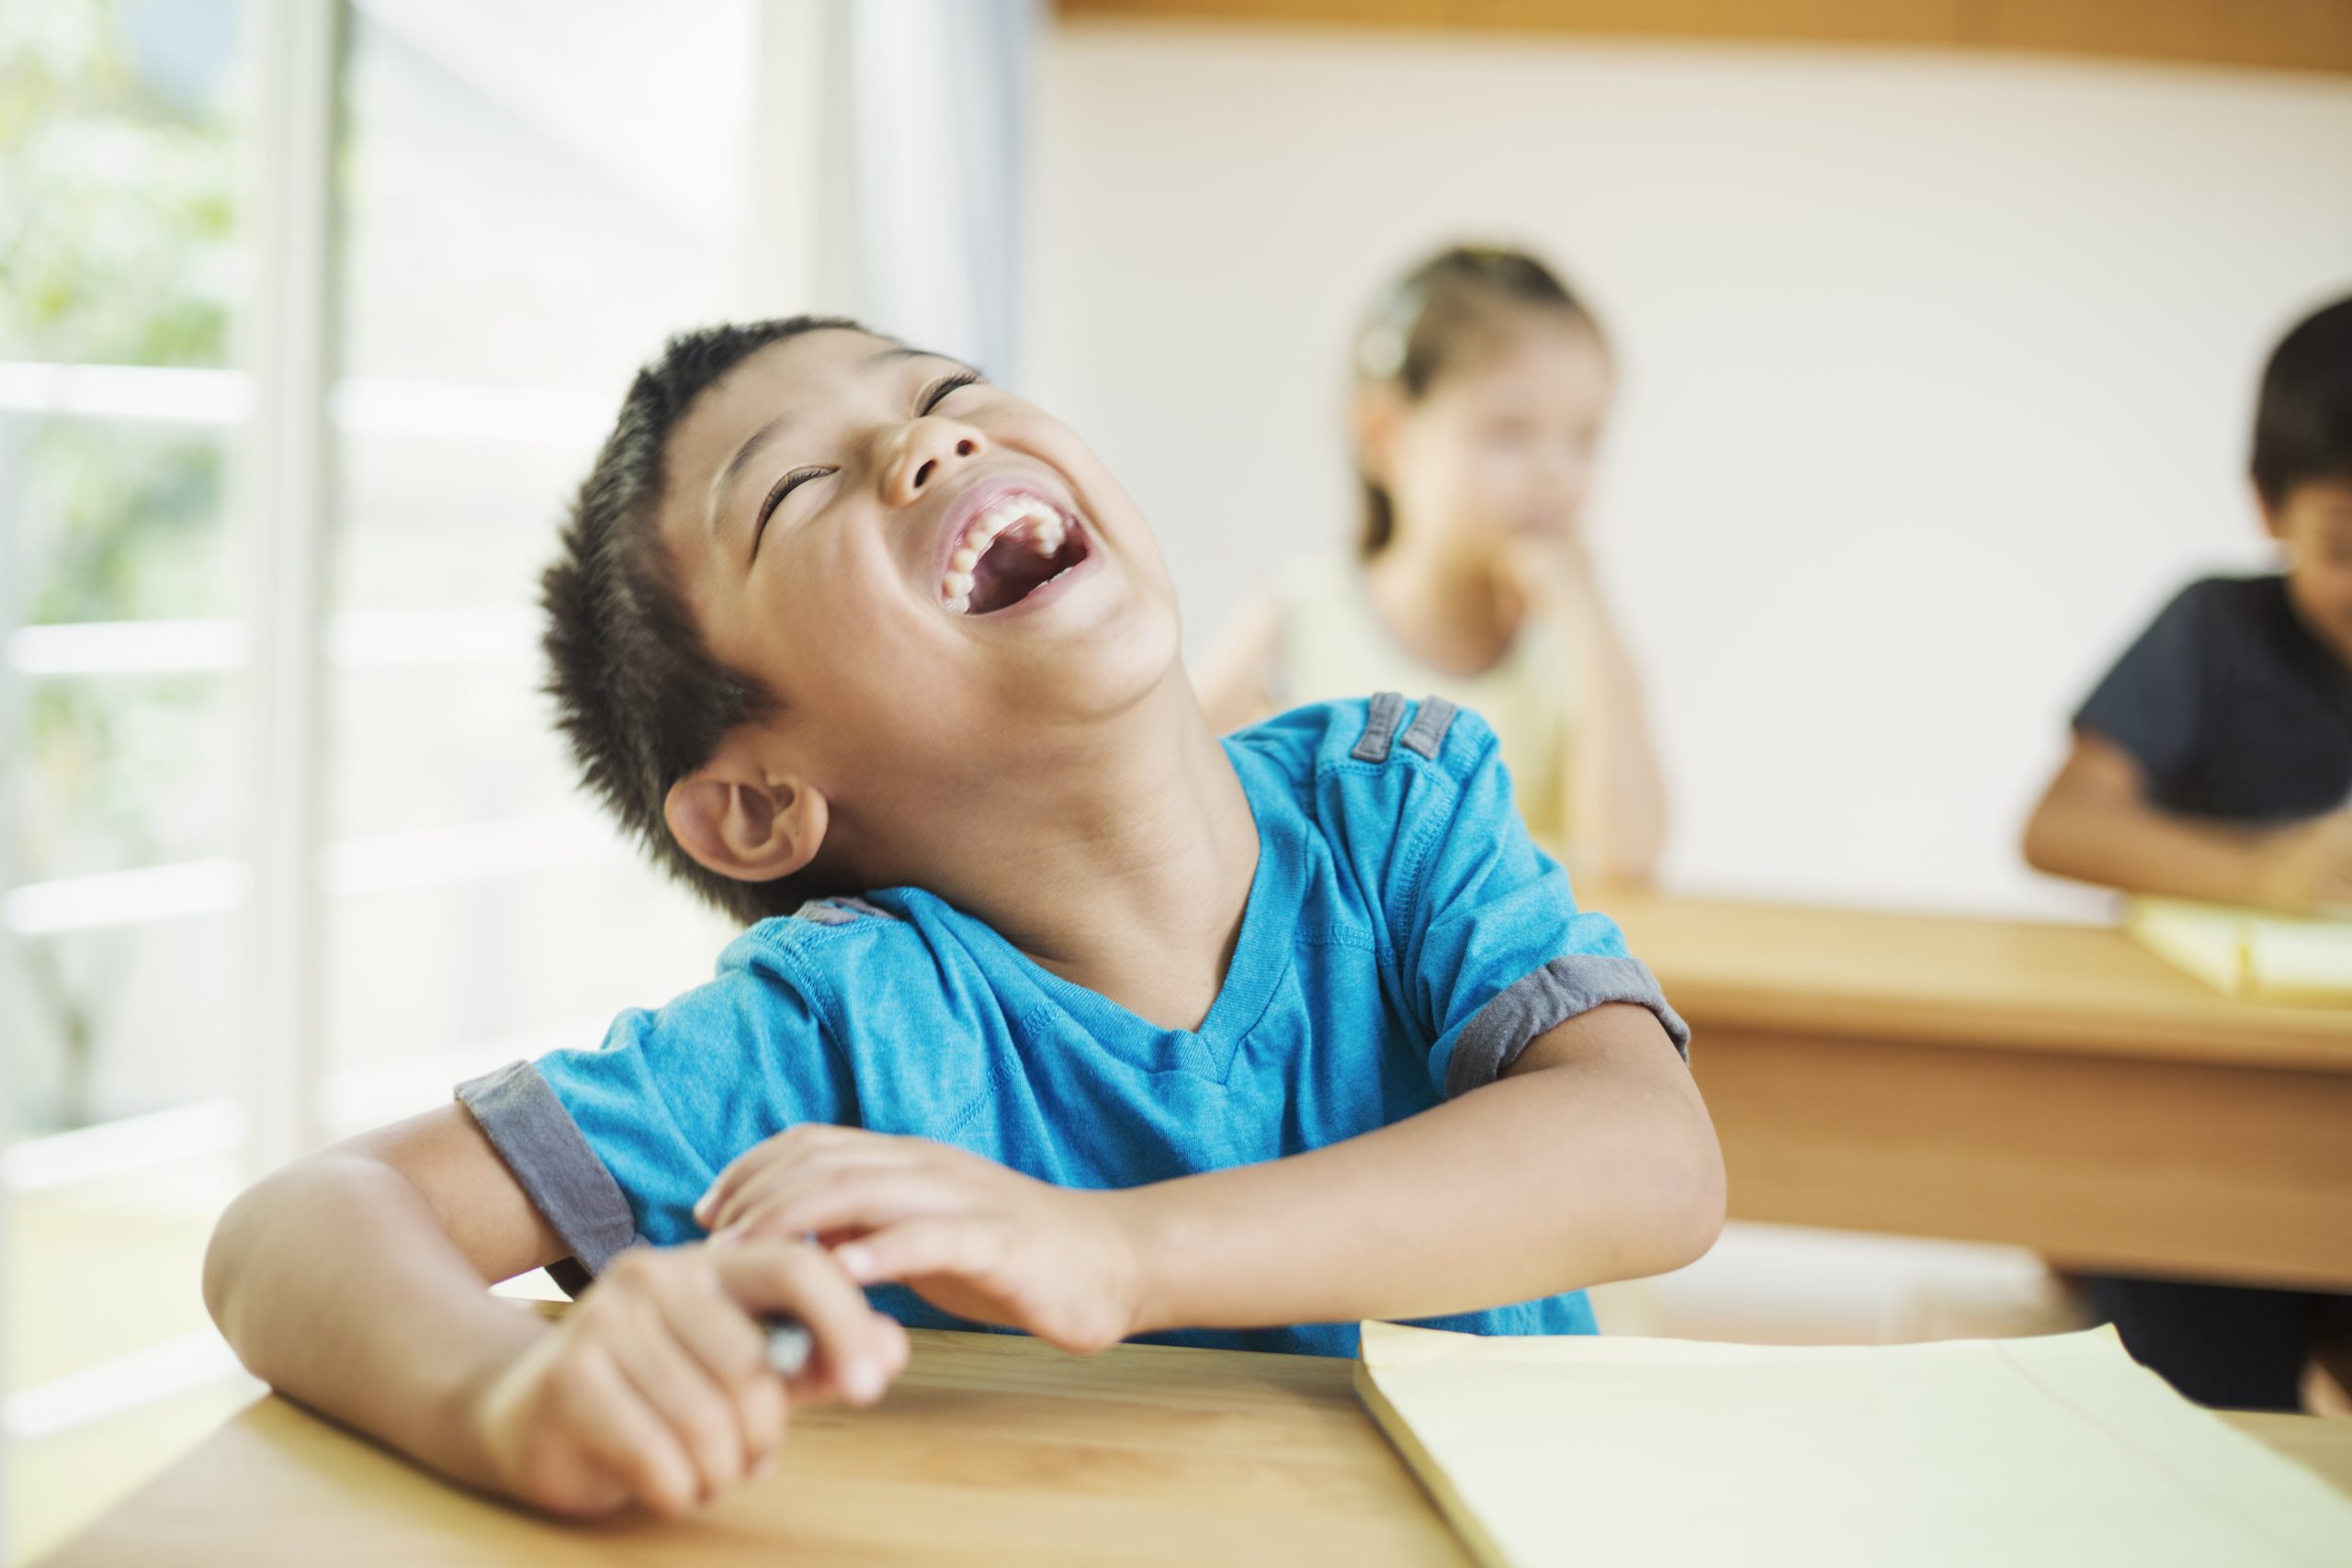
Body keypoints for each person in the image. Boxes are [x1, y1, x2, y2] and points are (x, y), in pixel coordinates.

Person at [203, 318, 1725, 1517]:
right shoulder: (839, 1025)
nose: (925, 440)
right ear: (760, 805)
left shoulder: (1395, 803)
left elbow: (1655, 1162)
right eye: (798, 487)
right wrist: (507, 1403)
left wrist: (1114, 1253)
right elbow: (293, 1227)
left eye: (942, 386)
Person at [2022, 293, 2352, 1409]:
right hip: (2202, 1135)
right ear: (2267, 504)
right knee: (2201, 1408)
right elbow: (2058, 826)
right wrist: (2266, 873)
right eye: (2346, 547)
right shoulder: (2214, 631)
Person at [1194, 245, 1666, 882]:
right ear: (1386, 436)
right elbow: (1158, 790)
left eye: (1584, 437)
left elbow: (1629, 857)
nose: (1556, 473)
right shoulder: (1300, 615)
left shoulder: (1572, 644)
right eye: (1510, 432)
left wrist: (1589, 616)